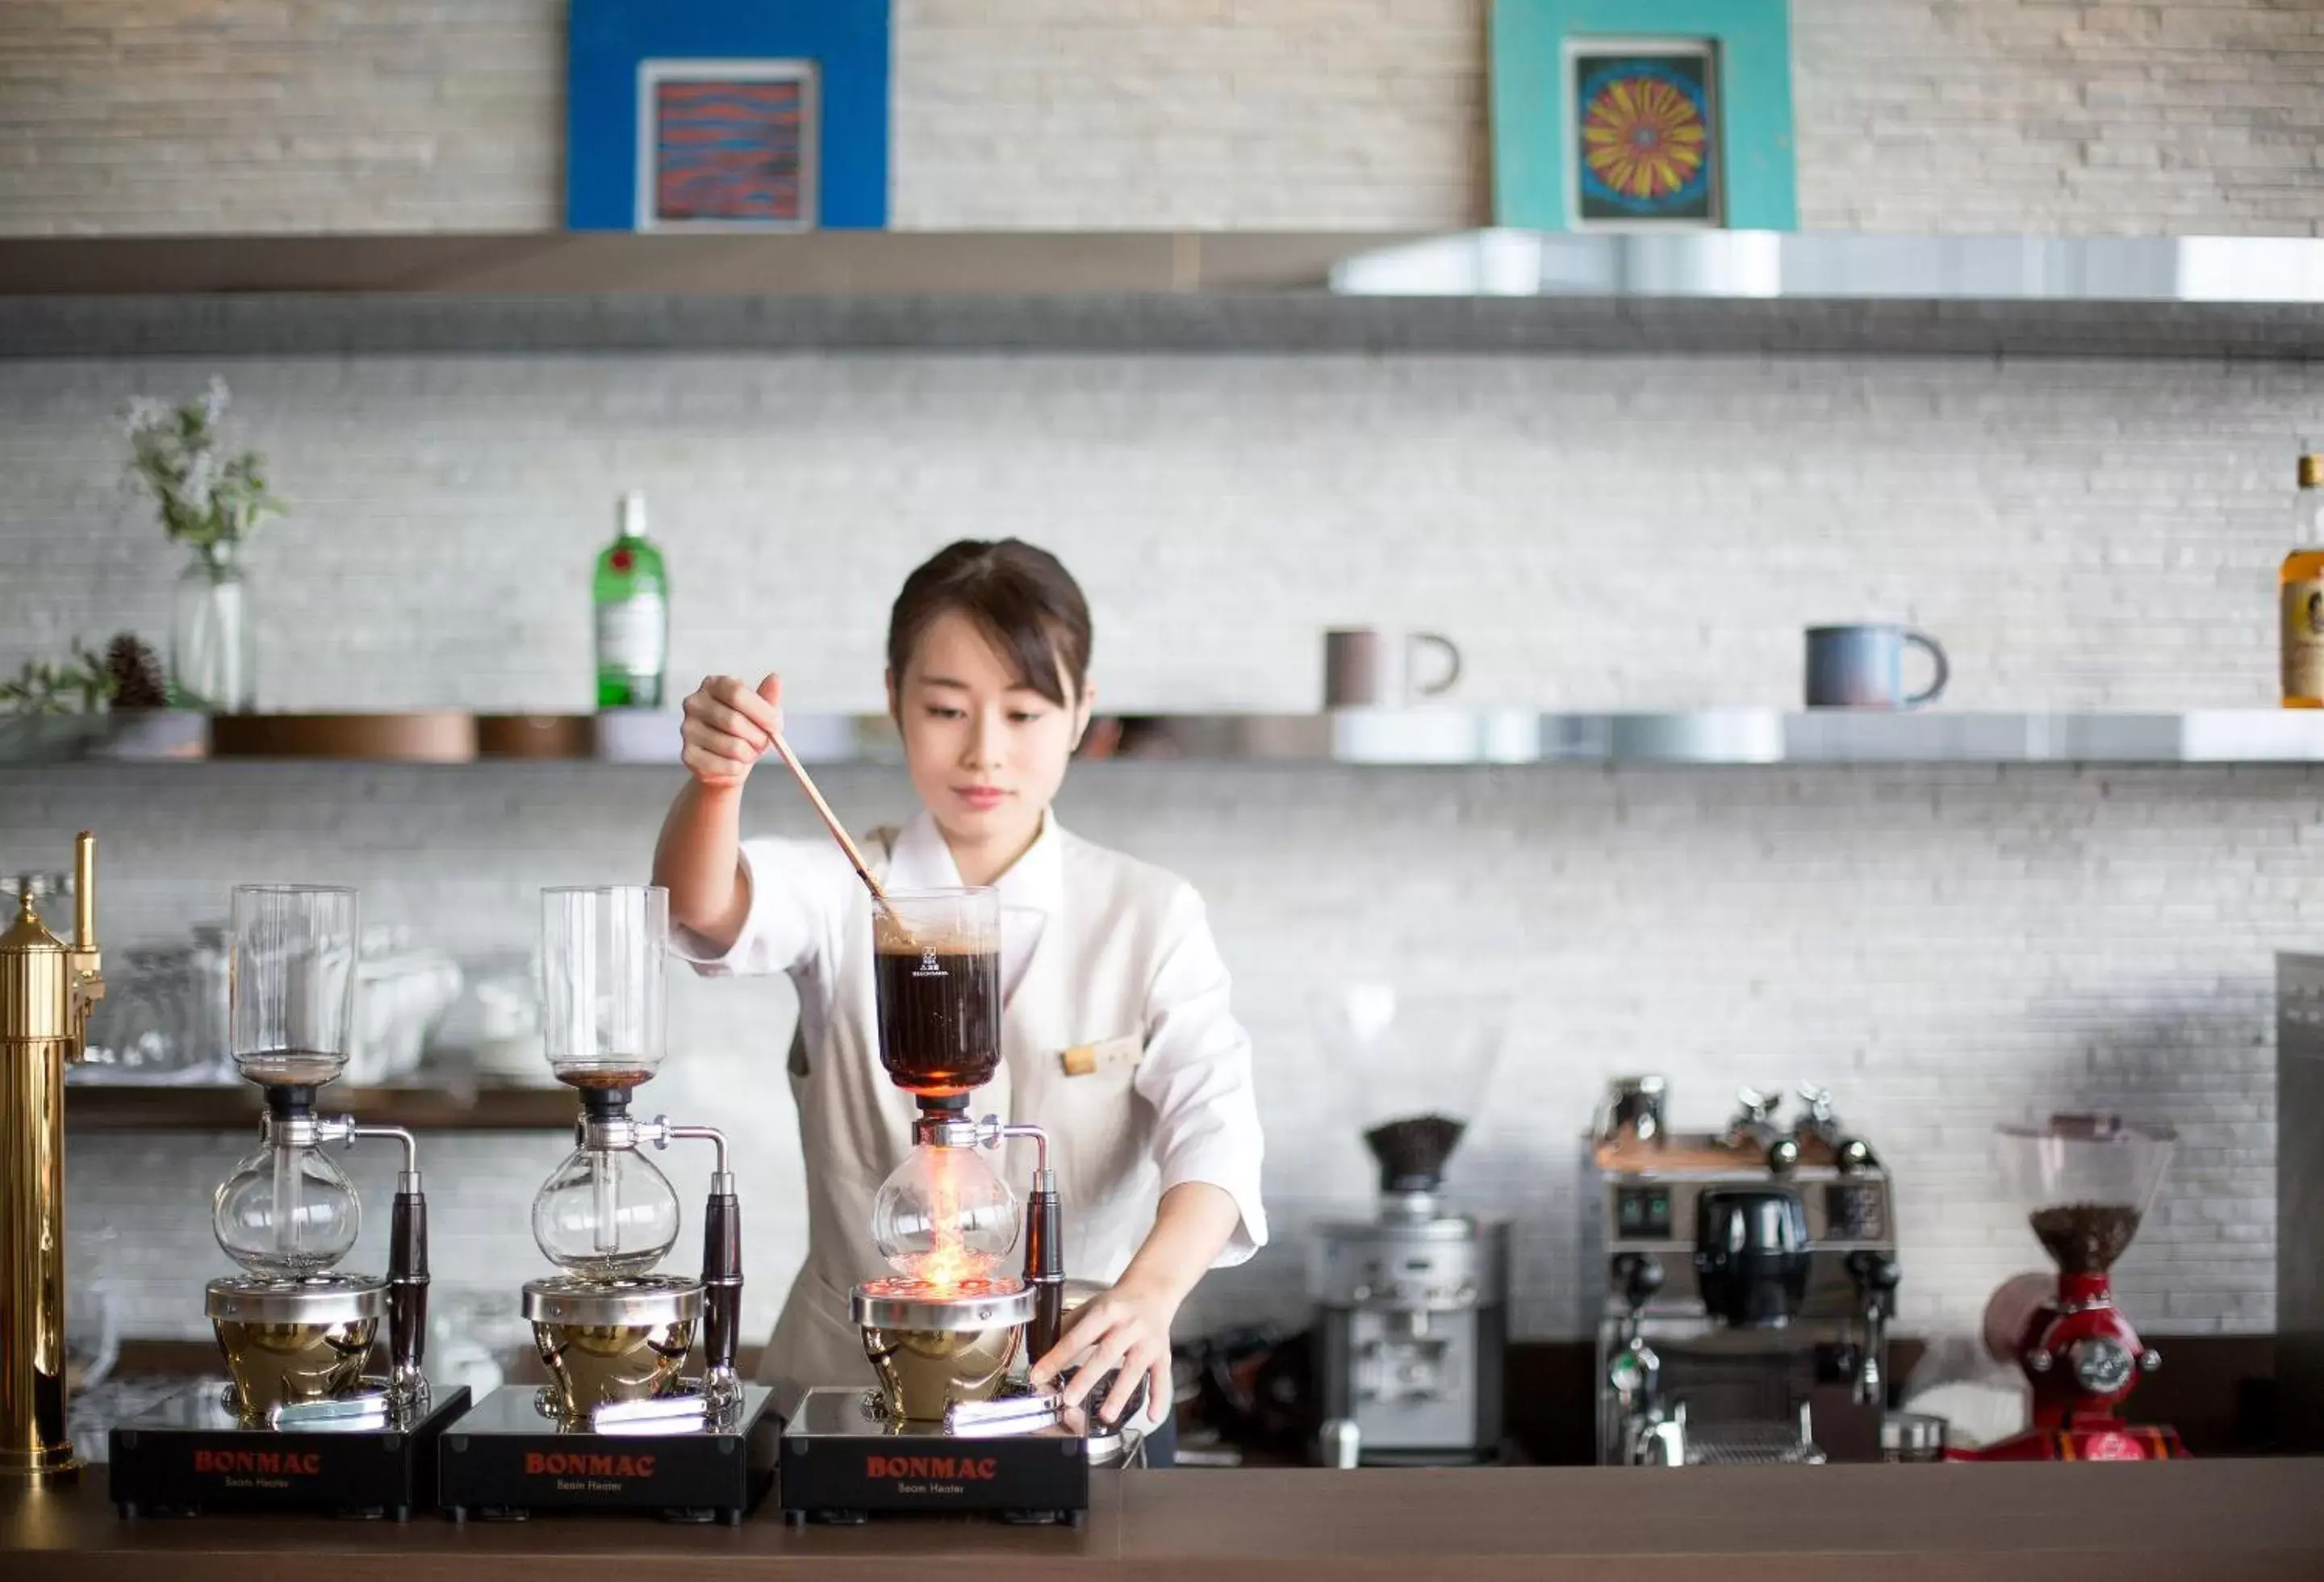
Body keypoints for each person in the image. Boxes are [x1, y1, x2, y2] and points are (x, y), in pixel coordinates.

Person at [651, 538, 1266, 1466]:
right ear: (894, 696)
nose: (985, 752)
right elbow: (703, 908)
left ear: (1081, 713)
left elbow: (1217, 1131)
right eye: (945, 709)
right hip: (844, 1396)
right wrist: (716, 784)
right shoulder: (841, 889)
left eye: (1023, 712)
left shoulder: (1150, 913)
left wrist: (1152, 1291)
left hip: (1081, 1392)